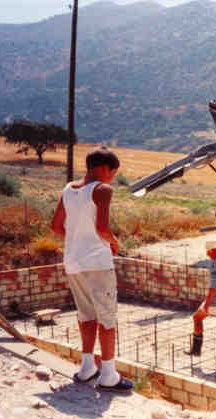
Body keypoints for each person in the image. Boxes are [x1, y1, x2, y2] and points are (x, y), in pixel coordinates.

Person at [50, 146, 133, 392]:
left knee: (86, 315)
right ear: (106, 168)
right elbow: (103, 229)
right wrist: (114, 243)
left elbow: (56, 226)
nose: (112, 178)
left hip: (73, 262)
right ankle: (108, 375)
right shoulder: (102, 190)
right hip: (97, 264)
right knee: (107, 318)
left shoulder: (68, 189)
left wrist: (77, 240)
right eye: (113, 173)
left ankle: (87, 367)